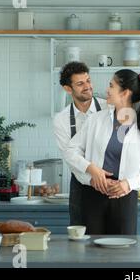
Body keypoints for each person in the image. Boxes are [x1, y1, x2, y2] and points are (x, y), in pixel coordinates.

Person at [64, 69, 140, 234]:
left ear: (124, 93)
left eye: (111, 85)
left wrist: (128, 184)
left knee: (123, 253)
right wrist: (91, 170)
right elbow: (71, 151)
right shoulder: (96, 120)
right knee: (91, 252)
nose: (106, 90)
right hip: (92, 195)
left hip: (125, 198)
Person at [53, 62, 106, 226]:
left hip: (110, 182)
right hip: (81, 187)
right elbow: (71, 159)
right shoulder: (61, 120)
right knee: (81, 243)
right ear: (68, 89)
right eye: (80, 83)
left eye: (88, 81)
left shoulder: (108, 108)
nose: (87, 86)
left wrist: (104, 180)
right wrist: (92, 179)